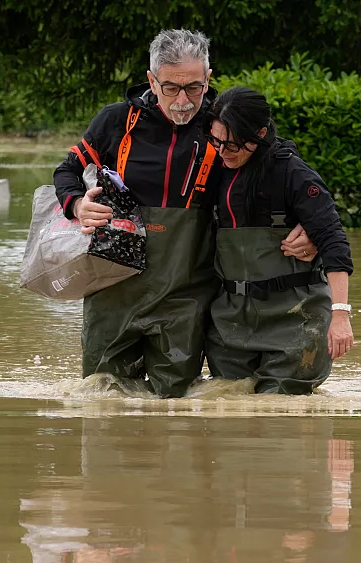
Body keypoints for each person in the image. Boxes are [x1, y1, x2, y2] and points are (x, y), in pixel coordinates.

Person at [53, 30, 316, 398]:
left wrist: (310, 227)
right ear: (151, 80)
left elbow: (287, 172)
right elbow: (66, 171)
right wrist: (77, 204)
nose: (183, 100)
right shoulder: (115, 122)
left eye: (194, 88)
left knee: (173, 406)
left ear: (208, 79)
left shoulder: (225, 124)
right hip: (111, 289)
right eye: (171, 88)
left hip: (187, 294)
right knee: (101, 398)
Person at [204, 86, 354, 394]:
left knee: (283, 415)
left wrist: (340, 316)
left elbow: (334, 242)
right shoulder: (213, 170)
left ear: (260, 133)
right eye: (216, 141)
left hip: (295, 319)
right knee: (228, 405)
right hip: (231, 322)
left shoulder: (293, 173)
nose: (223, 151)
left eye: (232, 145)